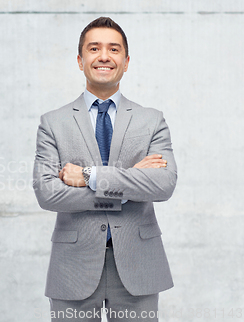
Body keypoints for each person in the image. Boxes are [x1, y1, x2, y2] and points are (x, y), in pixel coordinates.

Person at [32, 17, 177, 321]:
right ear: (80, 59)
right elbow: (48, 194)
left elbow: (163, 184)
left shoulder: (152, 120)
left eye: (113, 49)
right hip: (72, 265)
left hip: (139, 265)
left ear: (125, 62)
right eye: (94, 48)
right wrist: (129, 185)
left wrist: (90, 177)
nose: (103, 56)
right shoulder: (53, 123)